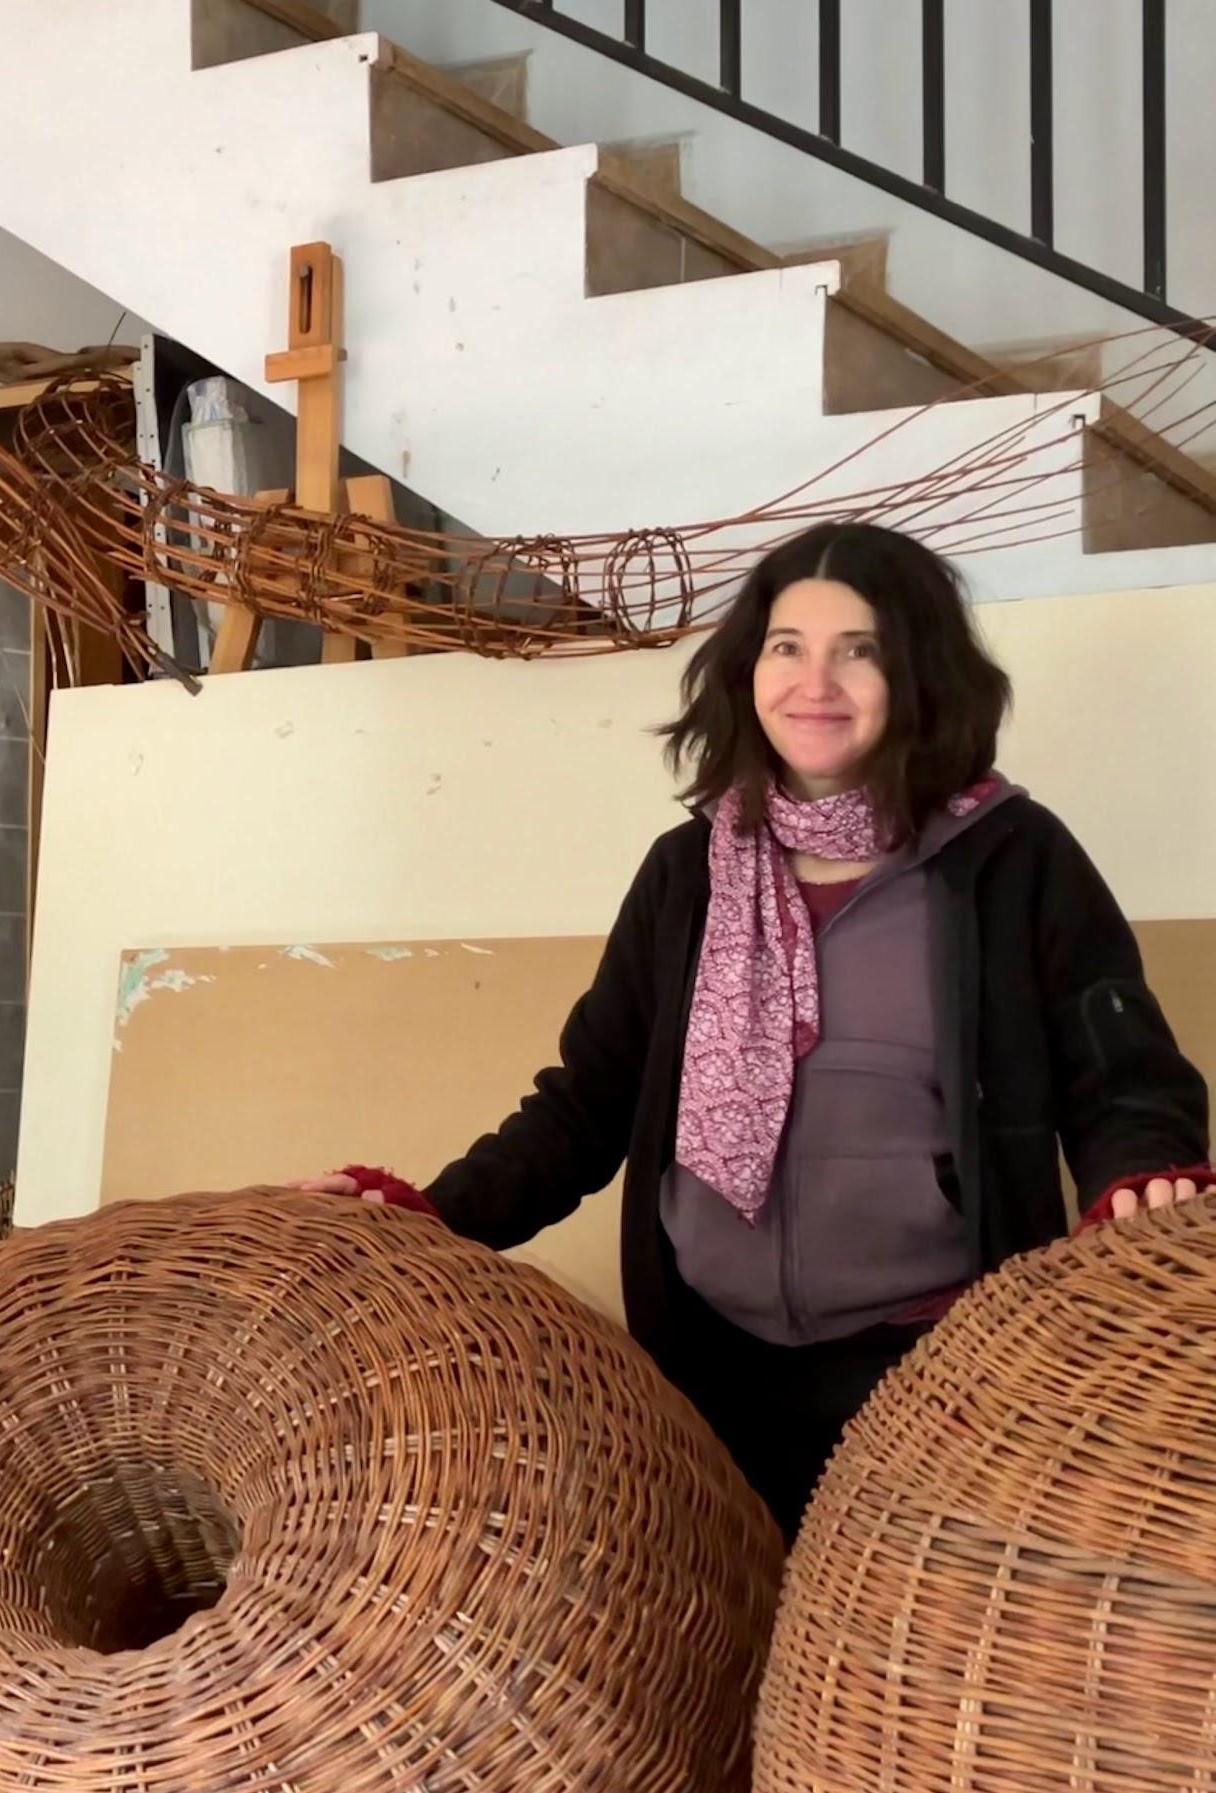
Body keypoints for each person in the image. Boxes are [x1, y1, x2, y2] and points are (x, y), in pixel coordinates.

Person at [301, 521, 1210, 1539]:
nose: (813, 682)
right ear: (747, 671)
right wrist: (428, 1216)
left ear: (918, 672)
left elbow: (1120, 1073)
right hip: (706, 1371)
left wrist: (1143, 1169)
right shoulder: (686, 872)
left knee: (880, 1674)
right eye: (786, 646)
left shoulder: (1011, 859)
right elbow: (585, 1103)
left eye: (857, 649)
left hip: (935, 1374)